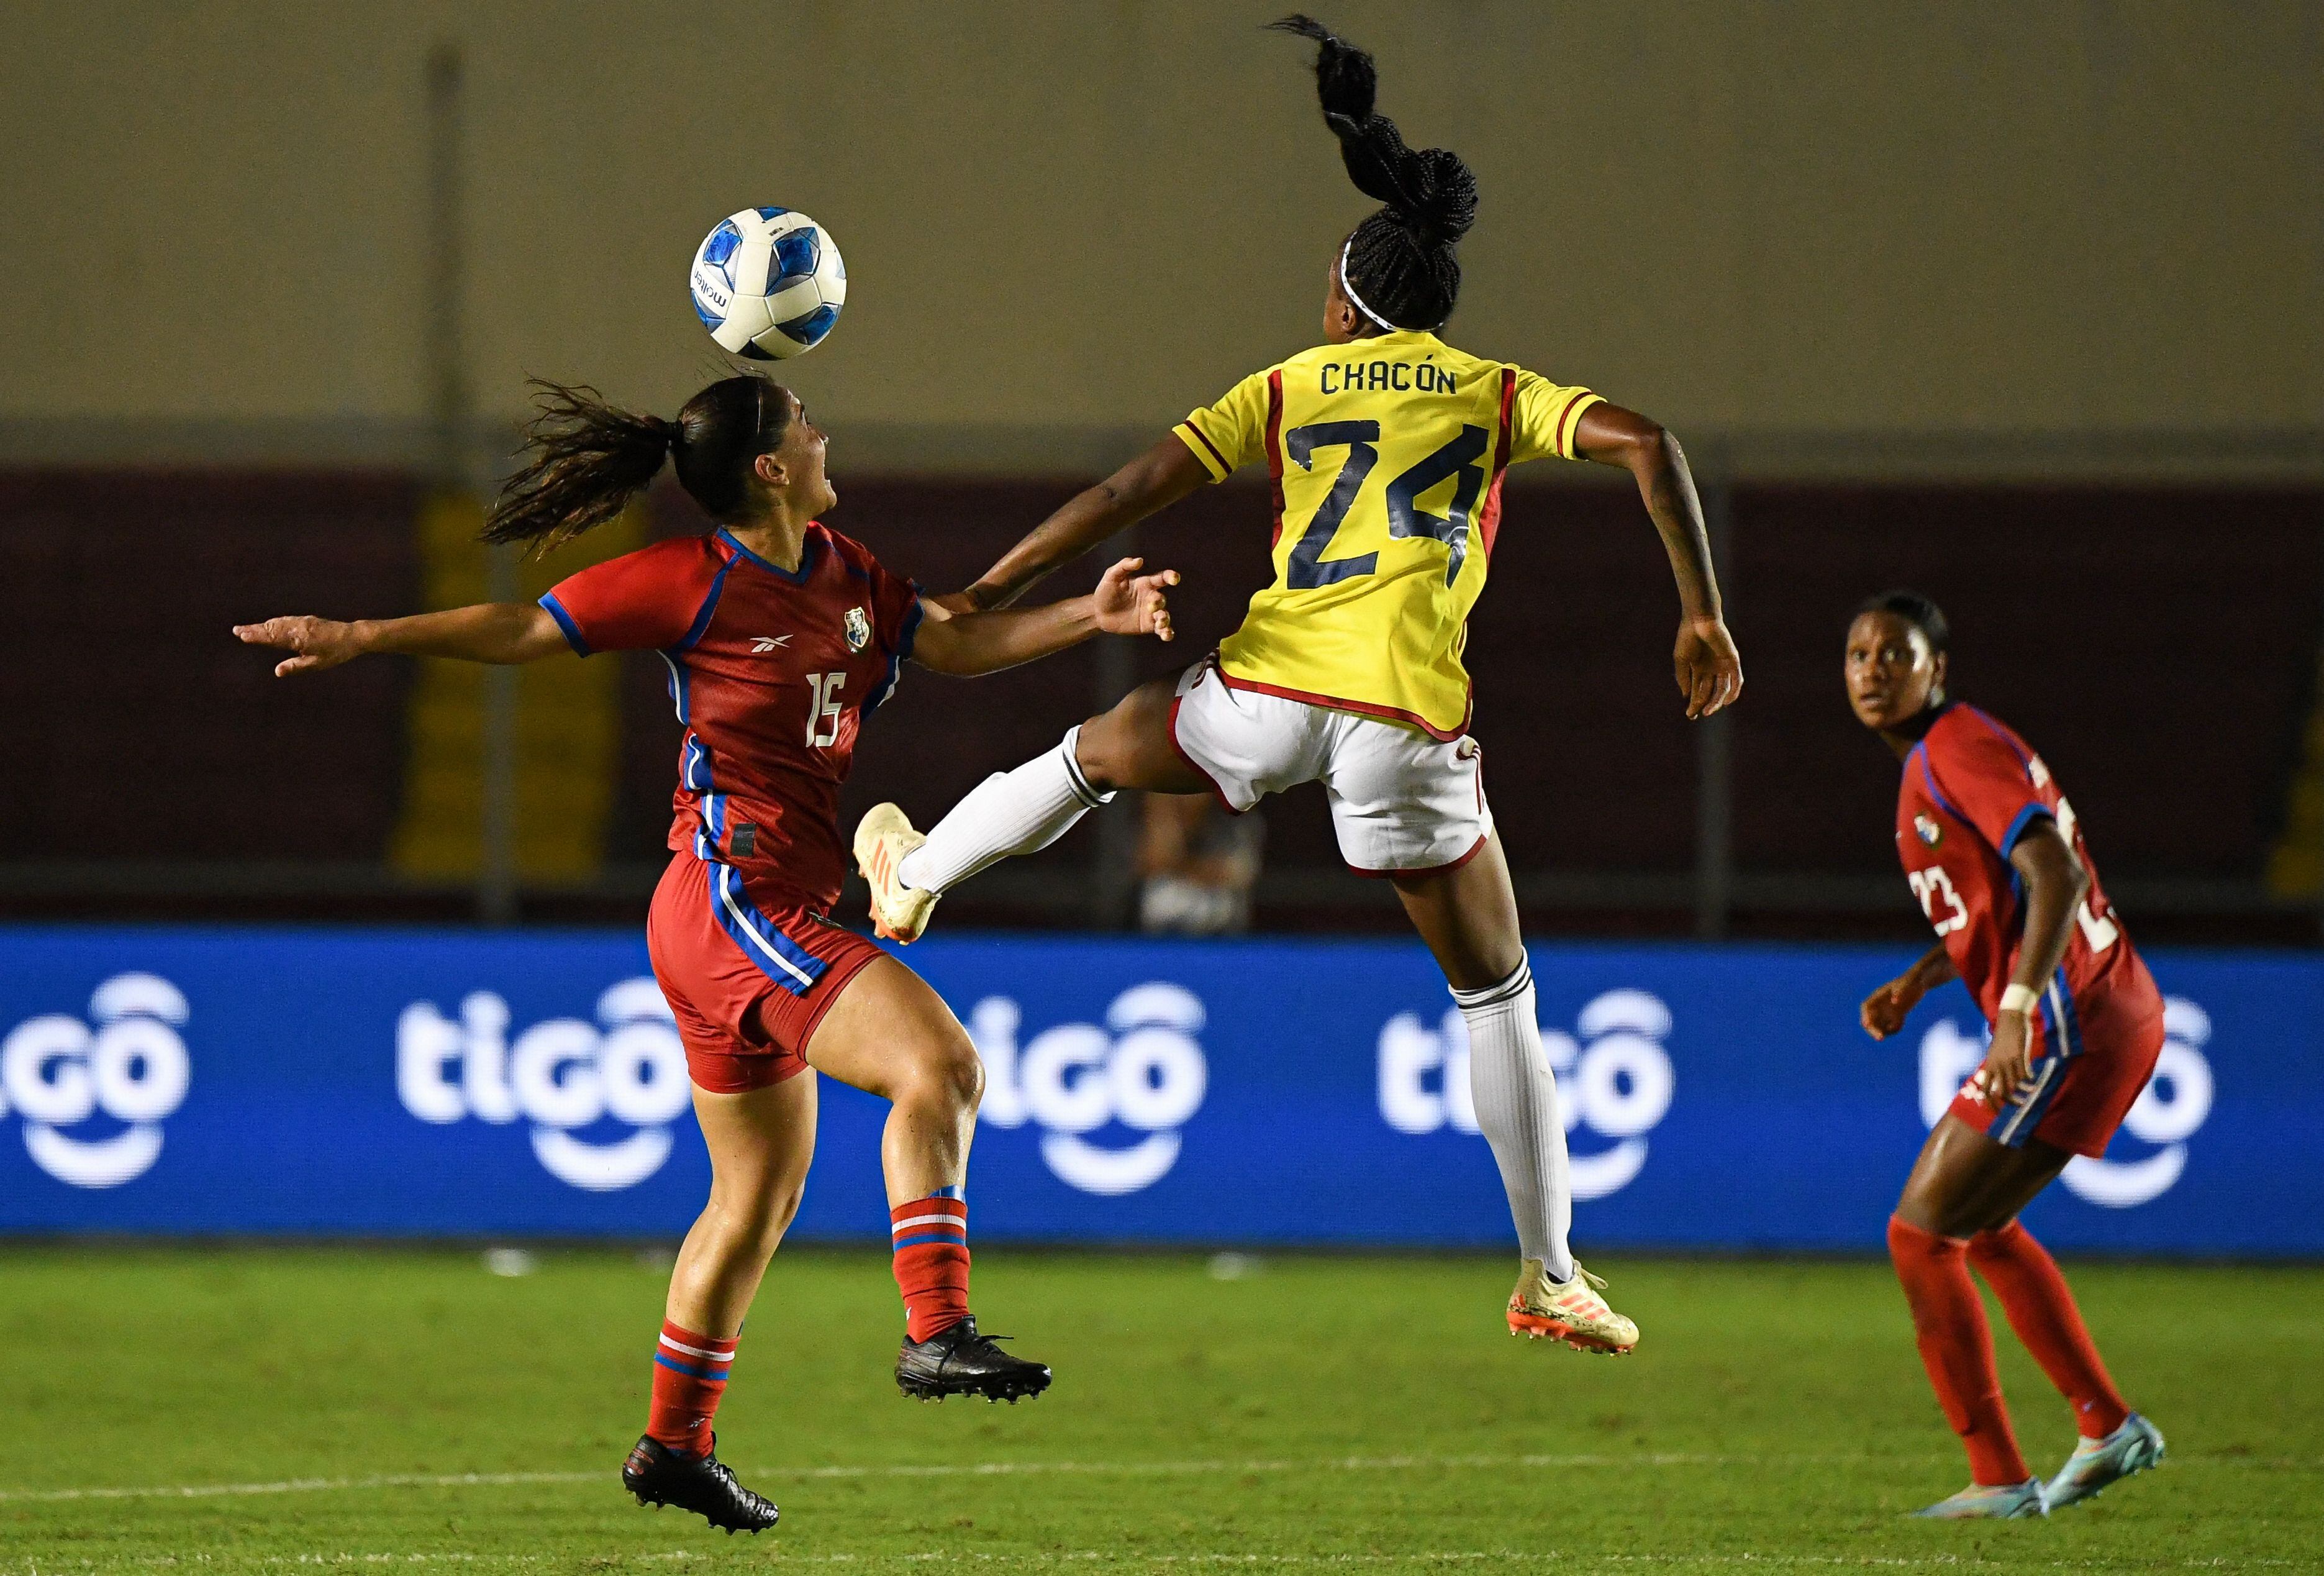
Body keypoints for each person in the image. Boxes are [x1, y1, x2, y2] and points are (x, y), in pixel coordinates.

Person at [849, 15, 1743, 1357]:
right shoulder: (1492, 393)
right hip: (1401, 728)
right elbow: (1645, 443)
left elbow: (1120, 493)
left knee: (1098, 750)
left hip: (1264, 694)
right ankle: (1547, 1272)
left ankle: (920, 873)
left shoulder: (1282, 387)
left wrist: (989, 583)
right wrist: (1699, 613)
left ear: (1340, 305)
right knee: (1495, 995)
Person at [234, 373, 1178, 1534]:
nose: (827, 431)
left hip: (737, 911)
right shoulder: (691, 580)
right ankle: (934, 1332)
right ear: (769, 468)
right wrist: (363, 635)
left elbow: (954, 638)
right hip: (733, 903)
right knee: (942, 1066)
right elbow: (532, 626)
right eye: (805, 424)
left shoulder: (843, 567)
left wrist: (1096, 614)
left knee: (754, 1195)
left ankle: (673, 1448)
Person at [1847, 590, 2167, 1520]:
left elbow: (2055, 874)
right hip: (2098, 1008)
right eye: (1859, 654)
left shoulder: (1955, 746)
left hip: (2076, 1013)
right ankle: (2105, 1424)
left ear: (1935, 671)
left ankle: (1999, 1478)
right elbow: (1996, 907)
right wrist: (1918, 980)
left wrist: (2016, 1011)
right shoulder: (1934, 759)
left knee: (1921, 1234)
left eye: (1894, 654)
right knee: (1974, 1227)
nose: (1872, 669)